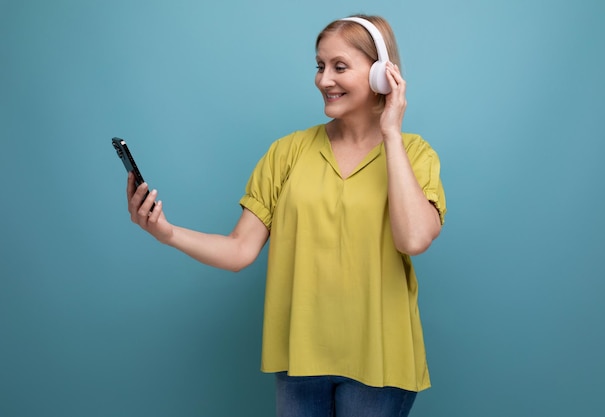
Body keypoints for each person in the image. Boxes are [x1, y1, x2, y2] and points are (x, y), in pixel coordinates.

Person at [126, 14, 446, 417]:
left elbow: (414, 239)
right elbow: (240, 250)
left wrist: (392, 135)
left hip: (381, 361)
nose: (323, 79)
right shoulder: (286, 153)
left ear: (383, 73)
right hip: (300, 360)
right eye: (320, 66)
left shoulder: (415, 154)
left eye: (339, 67)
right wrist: (166, 232)